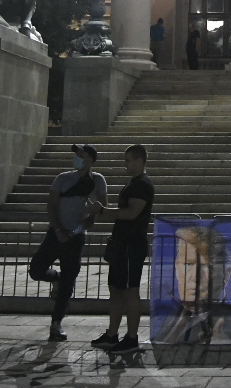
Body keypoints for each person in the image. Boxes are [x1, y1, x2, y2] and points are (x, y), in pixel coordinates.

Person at [29, 143, 107, 342]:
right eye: (77, 155)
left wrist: (86, 222)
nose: (78, 158)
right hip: (56, 233)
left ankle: (56, 324)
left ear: (90, 159)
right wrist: (57, 229)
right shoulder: (63, 178)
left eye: (82, 155)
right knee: (36, 269)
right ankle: (54, 277)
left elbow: (101, 207)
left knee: (69, 280)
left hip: (76, 236)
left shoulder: (97, 181)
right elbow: (52, 205)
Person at [151, 224, 231, 345]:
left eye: (206, 266)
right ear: (176, 267)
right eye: (188, 264)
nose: (195, 277)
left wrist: (223, 350)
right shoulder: (171, 316)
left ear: (226, 274)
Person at [93, 144, 155, 353]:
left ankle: (131, 337)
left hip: (131, 245)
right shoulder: (134, 183)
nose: (125, 164)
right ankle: (112, 334)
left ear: (139, 160)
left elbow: (131, 213)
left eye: (128, 160)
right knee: (116, 289)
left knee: (130, 291)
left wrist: (102, 211)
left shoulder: (142, 185)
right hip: (123, 244)